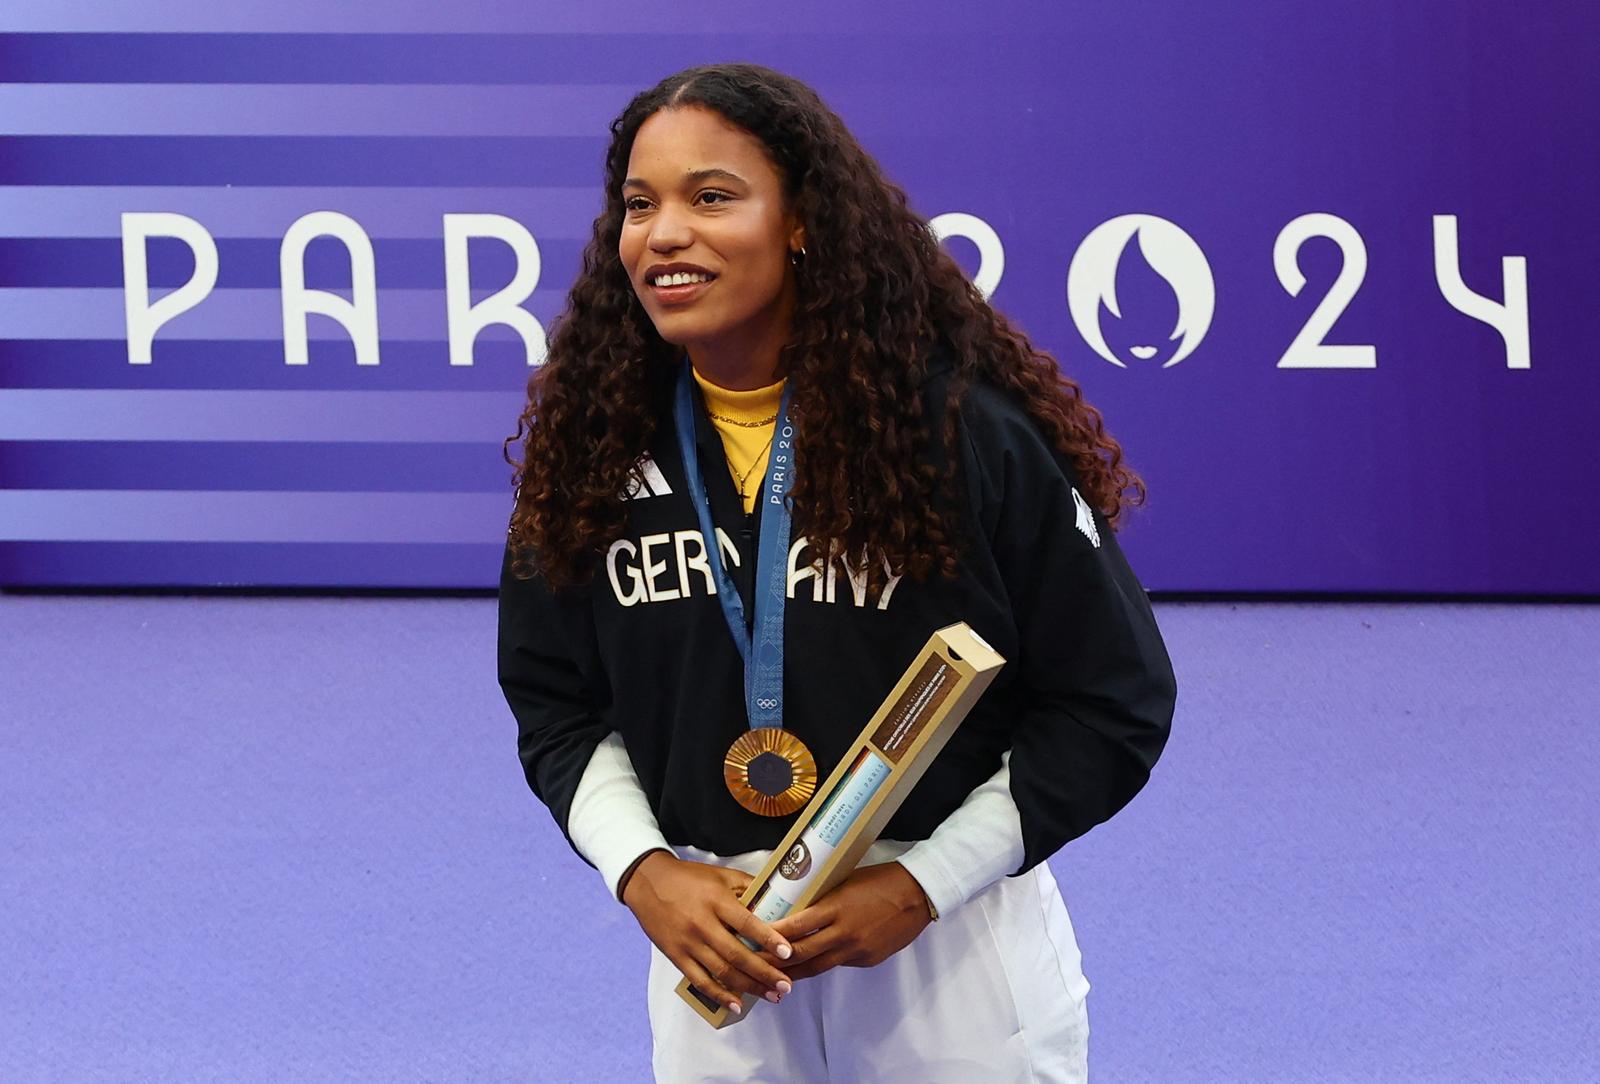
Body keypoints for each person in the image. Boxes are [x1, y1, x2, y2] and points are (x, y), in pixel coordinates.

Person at [497, 62, 1177, 1083]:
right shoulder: (593, 453)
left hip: (947, 954)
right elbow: (556, 702)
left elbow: (1109, 701)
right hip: (716, 957)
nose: (664, 233)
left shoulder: (954, 434)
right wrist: (643, 873)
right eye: (639, 206)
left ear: (802, 220)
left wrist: (923, 885)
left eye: (711, 196)